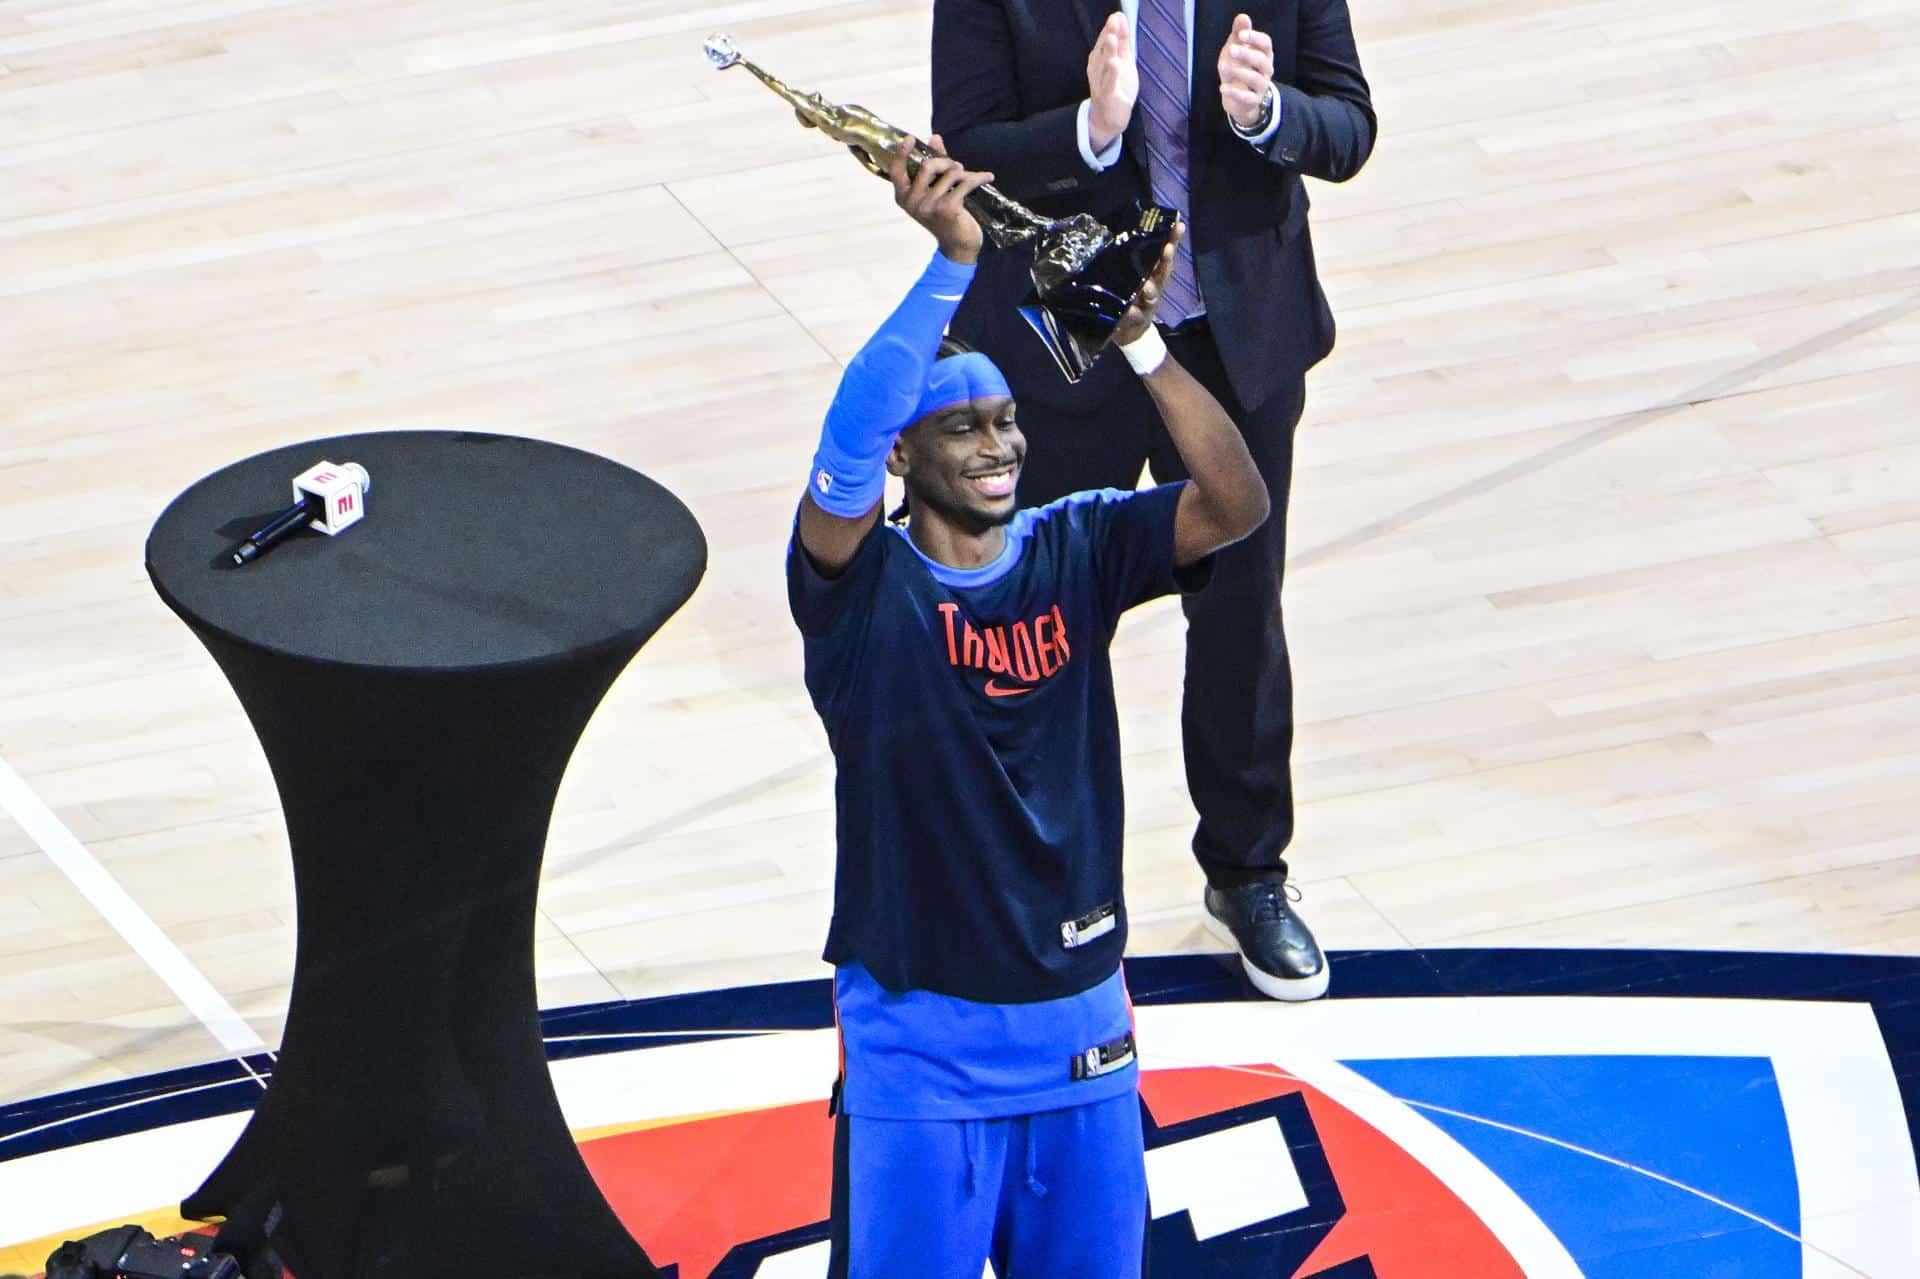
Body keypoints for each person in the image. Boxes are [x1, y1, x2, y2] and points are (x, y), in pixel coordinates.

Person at [789, 138, 1268, 1277]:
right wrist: (953, 262)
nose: (1001, 443)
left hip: (1079, 1025)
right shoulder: (862, 591)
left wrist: (1140, 338)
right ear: (906, 456)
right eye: (965, 426)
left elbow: (1234, 500)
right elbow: (845, 439)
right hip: (921, 1040)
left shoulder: (1078, 543)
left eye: (1008, 420)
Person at [932, 0, 1378, 1000]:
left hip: (1234, 340)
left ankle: (1249, 875)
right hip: (1063, 343)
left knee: (1241, 614)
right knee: (1033, 626)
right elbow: (963, 145)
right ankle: (1020, 887)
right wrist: (1090, 127)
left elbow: (1349, 124)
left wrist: (1268, 115)